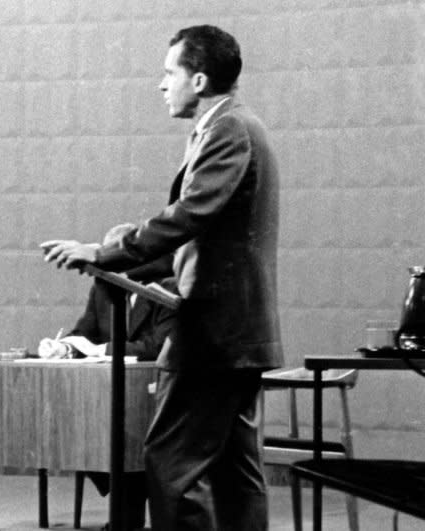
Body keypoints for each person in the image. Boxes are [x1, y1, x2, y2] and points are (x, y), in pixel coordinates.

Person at [41, 25, 283, 531]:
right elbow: (197, 243)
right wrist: (109, 259)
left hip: (214, 337)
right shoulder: (233, 126)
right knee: (236, 472)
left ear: (198, 79)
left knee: (170, 463)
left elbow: (189, 215)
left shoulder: (228, 130)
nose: (160, 84)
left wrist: (106, 253)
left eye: (167, 73)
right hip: (240, 335)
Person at [40, 223, 176, 531]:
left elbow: (156, 347)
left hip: (152, 396)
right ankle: (127, 509)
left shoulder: (165, 288)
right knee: (86, 436)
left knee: (126, 440)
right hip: (107, 397)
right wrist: (64, 346)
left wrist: (98, 348)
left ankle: (127, 516)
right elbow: (82, 331)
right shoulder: (103, 289)